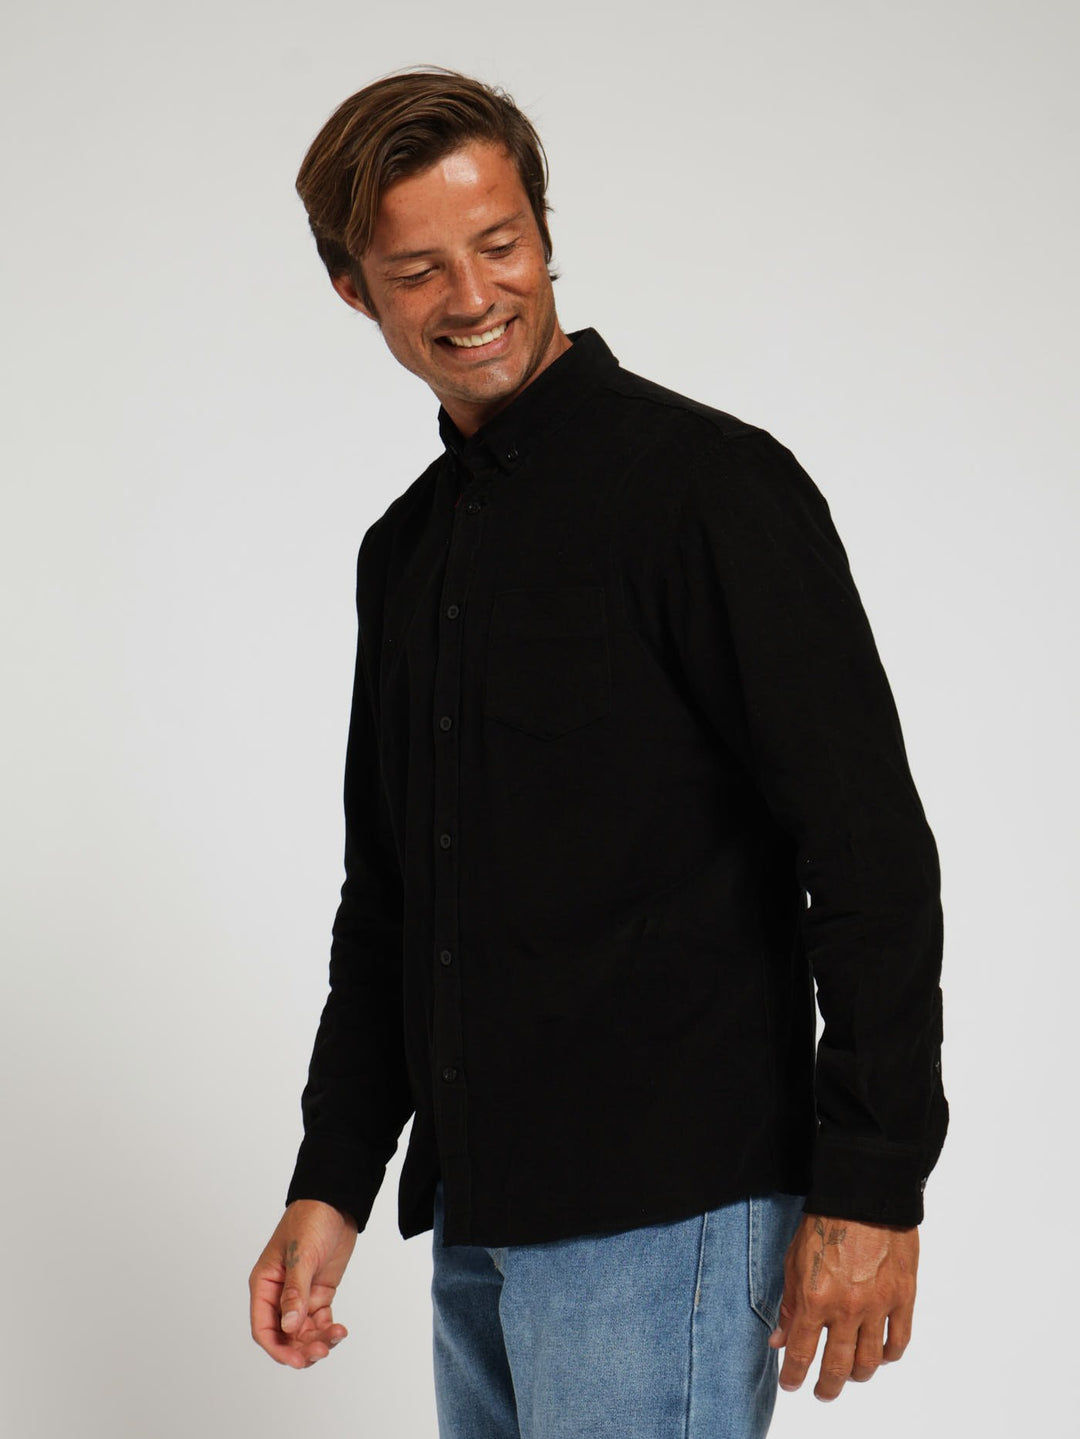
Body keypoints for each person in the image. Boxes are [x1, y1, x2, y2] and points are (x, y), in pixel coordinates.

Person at [248, 67, 947, 1439]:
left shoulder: (709, 491)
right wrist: (332, 1179)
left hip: (669, 1215)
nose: (473, 297)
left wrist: (872, 1180)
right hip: (479, 1224)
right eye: (417, 271)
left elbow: (866, 851)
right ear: (354, 292)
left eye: (499, 244)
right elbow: (392, 901)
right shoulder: (406, 553)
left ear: (545, 234)